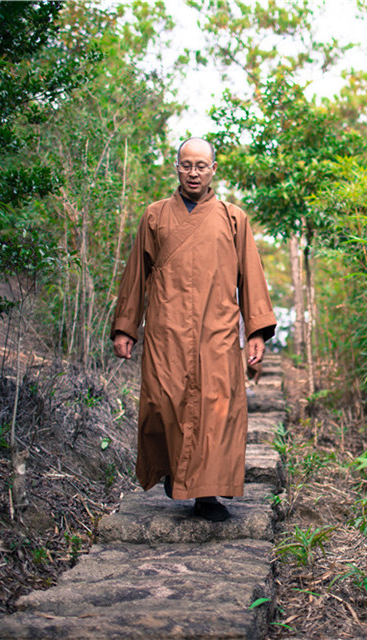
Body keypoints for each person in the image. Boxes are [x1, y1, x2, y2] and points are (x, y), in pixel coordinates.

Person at [110, 137, 276, 522]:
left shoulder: (234, 218)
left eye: (201, 165)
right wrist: (126, 328)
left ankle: (206, 495)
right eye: (186, 165)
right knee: (165, 404)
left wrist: (255, 331)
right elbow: (136, 275)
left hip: (216, 330)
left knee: (218, 410)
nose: (194, 172)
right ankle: (175, 472)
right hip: (166, 330)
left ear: (213, 169)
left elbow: (251, 277)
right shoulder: (154, 216)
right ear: (177, 167)